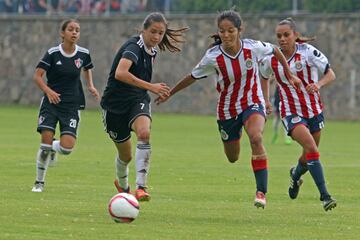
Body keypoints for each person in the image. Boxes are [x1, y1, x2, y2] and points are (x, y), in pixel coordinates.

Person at [156, 10, 301, 209]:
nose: (226, 35)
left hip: (252, 102)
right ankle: (237, 131)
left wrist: (289, 73)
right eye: (222, 31)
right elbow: (192, 75)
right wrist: (170, 93)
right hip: (227, 110)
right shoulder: (213, 57)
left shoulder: (253, 47)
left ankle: (261, 192)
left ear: (239, 30)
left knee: (256, 137)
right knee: (232, 157)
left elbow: (275, 50)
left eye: (230, 31)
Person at [100, 12, 188, 201]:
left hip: (137, 100)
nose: (156, 37)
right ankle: (123, 186)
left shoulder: (153, 50)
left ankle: (141, 187)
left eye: (160, 33)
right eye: (153, 32)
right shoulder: (134, 46)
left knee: (144, 134)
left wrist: (149, 90)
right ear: (144, 30)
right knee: (126, 156)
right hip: (114, 107)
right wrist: (152, 87)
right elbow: (121, 73)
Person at [259, 18, 336, 211]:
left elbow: (330, 74)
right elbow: (263, 76)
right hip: (291, 112)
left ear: (295, 35)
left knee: (308, 156)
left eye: (286, 35)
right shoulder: (271, 58)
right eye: (279, 36)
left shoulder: (308, 53)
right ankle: (325, 196)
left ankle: (295, 175)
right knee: (311, 147)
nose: (282, 39)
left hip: (314, 110)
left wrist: (318, 85)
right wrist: (267, 100)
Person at [31, 19, 100, 192]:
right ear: (63, 33)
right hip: (51, 103)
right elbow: (37, 76)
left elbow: (87, 67)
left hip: (72, 106)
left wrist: (90, 85)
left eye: (77, 30)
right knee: (44, 145)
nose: (75, 33)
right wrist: (48, 91)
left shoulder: (83, 53)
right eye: (71, 29)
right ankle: (39, 182)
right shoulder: (53, 53)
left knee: (67, 149)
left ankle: (53, 147)